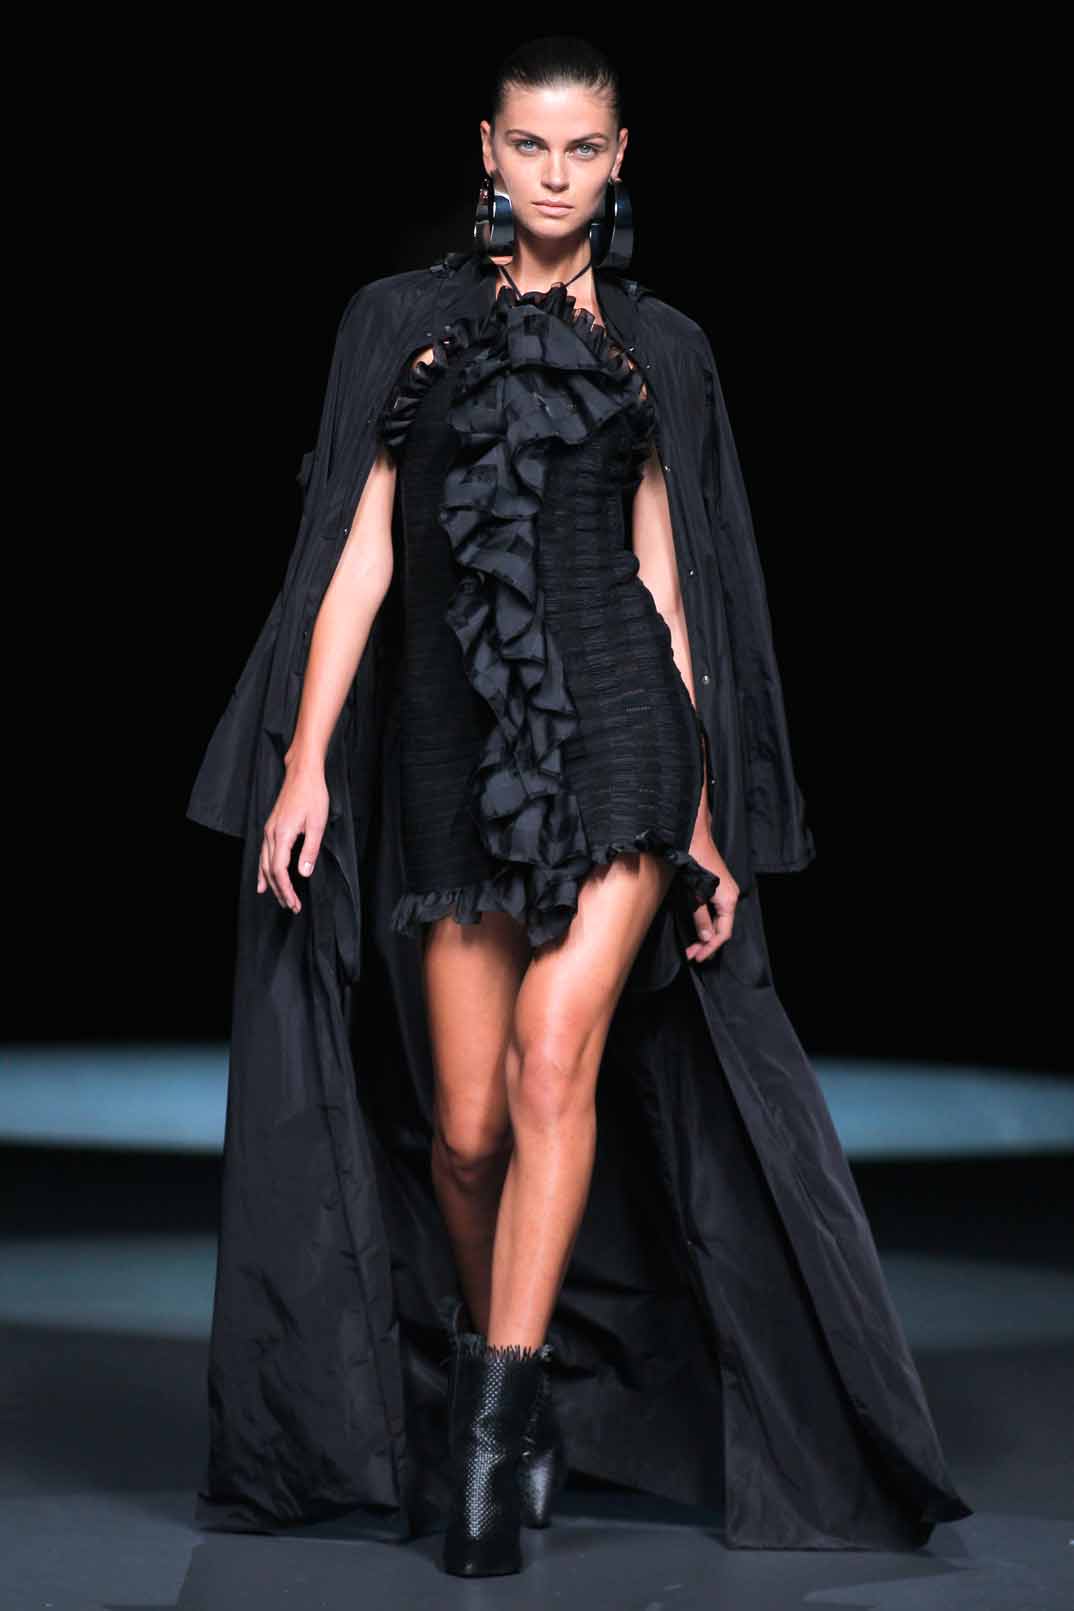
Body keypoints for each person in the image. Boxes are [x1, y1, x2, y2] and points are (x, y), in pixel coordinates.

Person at [187, 32, 972, 1583]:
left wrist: (703, 812)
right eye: (530, 146)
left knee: (555, 1062)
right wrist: (301, 761)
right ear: (486, 149)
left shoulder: (656, 347)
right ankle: (525, 1384)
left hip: (621, 729)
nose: (555, 175)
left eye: (584, 149)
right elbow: (359, 553)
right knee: (466, 1131)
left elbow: (674, 583)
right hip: (446, 750)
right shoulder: (401, 328)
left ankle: (490, 1447)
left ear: (620, 161)